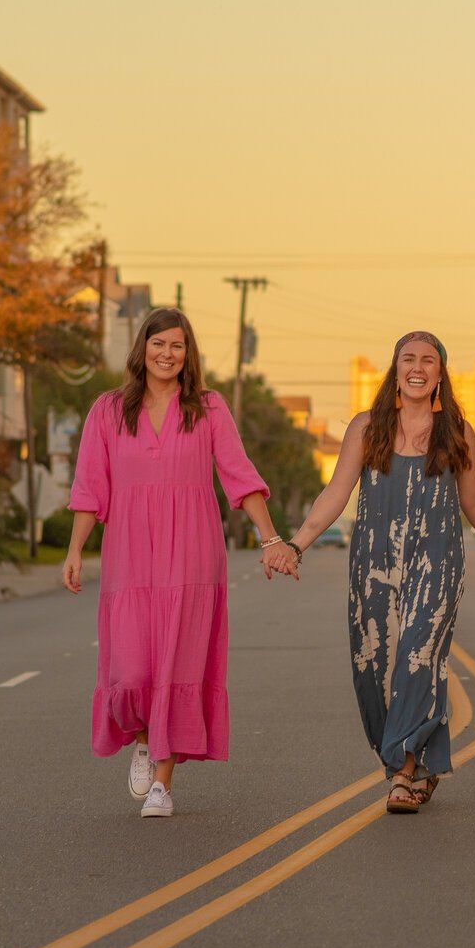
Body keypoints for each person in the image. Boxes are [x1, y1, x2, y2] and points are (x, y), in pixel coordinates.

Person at [63, 308, 289, 819]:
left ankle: (163, 782)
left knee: (176, 662)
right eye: (159, 343)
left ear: (189, 355)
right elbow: (89, 486)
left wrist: (270, 536)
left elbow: (239, 474)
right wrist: (75, 550)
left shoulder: (207, 407)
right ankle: (144, 738)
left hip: (192, 551)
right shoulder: (108, 410)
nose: (167, 354)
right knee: (131, 667)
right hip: (129, 553)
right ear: (141, 348)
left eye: (178, 346)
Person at [270, 331, 475, 814]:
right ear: (395, 369)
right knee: (372, 665)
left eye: (428, 360)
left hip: (437, 560)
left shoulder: (458, 431)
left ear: (441, 372)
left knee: (418, 656)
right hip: (374, 562)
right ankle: (414, 764)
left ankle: (402, 772)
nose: (417, 367)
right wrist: (296, 543)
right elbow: (336, 493)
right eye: (408, 359)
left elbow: (474, 499)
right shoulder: (366, 427)